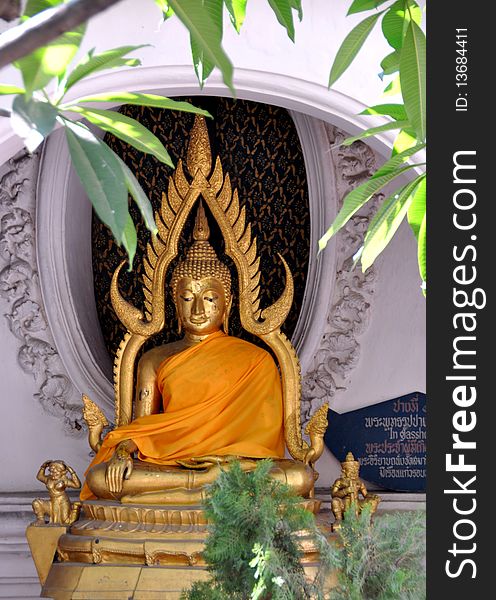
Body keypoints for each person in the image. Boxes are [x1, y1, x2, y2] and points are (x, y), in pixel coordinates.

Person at [81, 204, 289, 502]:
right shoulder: (155, 359)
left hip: (236, 468)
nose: (198, 309)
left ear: (228, 303)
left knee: (294, 478)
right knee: (101, 477)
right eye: (187, 298)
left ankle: (188, 489)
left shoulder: (257, 360)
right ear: (174, 303)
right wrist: (123, 452)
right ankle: (202, 486)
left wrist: (223, 463)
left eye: (210, 298)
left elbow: (265, 443)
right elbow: (140, 428)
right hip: (172, 465)